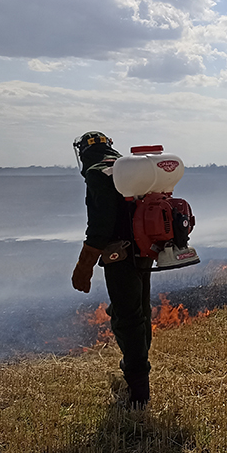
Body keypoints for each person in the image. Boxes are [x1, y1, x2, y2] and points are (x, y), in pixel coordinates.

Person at [71, 131, 153, 408]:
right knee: (140, 311)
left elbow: (100, 228)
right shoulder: (130, 166)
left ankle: (138, 389)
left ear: (83, 153)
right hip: (146, 249)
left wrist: (84, 266)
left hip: (120, 255)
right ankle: (136, 369)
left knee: (126, 317)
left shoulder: (97, 173)